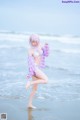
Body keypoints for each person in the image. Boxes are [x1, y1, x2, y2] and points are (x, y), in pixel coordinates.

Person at [26, 34, 49, 109]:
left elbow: (46, 54)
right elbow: (30, 62)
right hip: (34, 69)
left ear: (38, 41)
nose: (34, 43)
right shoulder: (30, 50)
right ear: (30, 41)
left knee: (34, 89)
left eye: (36, 41)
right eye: (33, 42)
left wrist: (46, 46)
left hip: (38, 68)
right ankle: (30, 83)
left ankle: (29, 104)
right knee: (46, 80)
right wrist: (31, 72)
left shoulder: (40, 46)